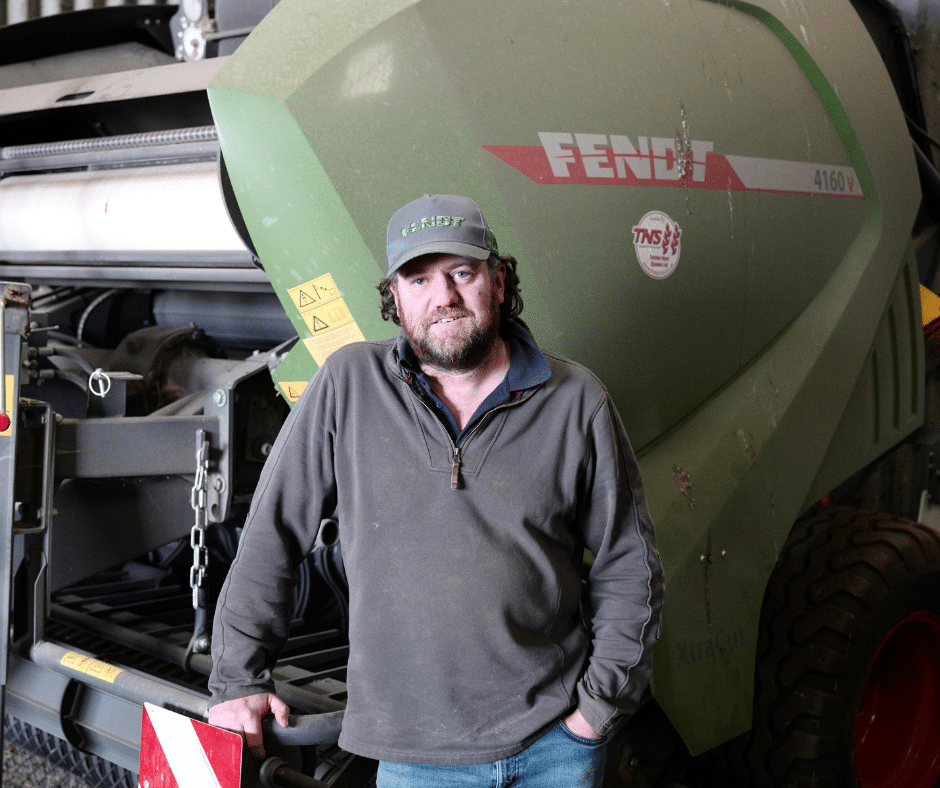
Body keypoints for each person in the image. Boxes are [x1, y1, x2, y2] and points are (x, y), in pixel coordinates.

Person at [208, 194, 664, 787]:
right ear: (394, 298)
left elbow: (630, 569)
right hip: (414, 758)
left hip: (556, 748)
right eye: (418, 279)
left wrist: (596, 713)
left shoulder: (576, 400)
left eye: (462, 273)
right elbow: (271, 538)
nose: (442, 297)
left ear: (499, 283)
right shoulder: (348, 387)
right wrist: (239, 681)